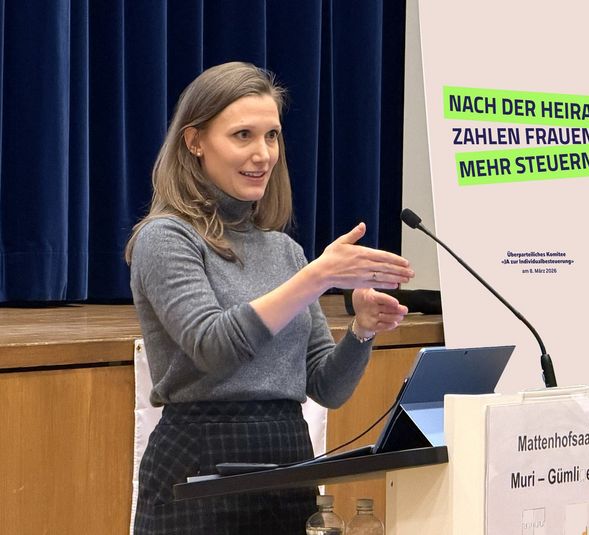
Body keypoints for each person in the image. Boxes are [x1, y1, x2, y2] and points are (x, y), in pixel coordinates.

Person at [125, 61, 414, 534]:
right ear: (194, 141)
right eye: (243, 135)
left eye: (272, 136)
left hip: (289, 459)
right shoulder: (166, 238)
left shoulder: (284, 251)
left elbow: (326, 387)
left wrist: (361, 330)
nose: (263, 154)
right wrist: (316, 277)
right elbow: (212, 345)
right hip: (200, 460)